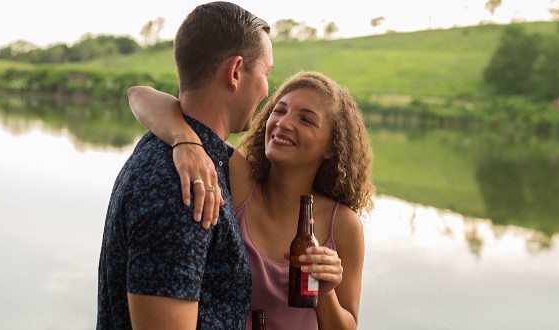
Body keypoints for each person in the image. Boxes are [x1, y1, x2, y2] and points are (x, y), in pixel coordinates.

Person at [128, 71, 375, 329]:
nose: (283, 123)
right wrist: (185, 142)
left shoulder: (343, 224)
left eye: (306, 119)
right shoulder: (239, 179)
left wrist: (325, 292)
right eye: (279, 111)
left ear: (331, 147)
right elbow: (140, 95)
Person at [97, 2, 274, 329]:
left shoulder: (191, 152)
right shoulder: (184, 184)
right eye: (266, 72)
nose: (267, 88)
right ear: (236, 72)